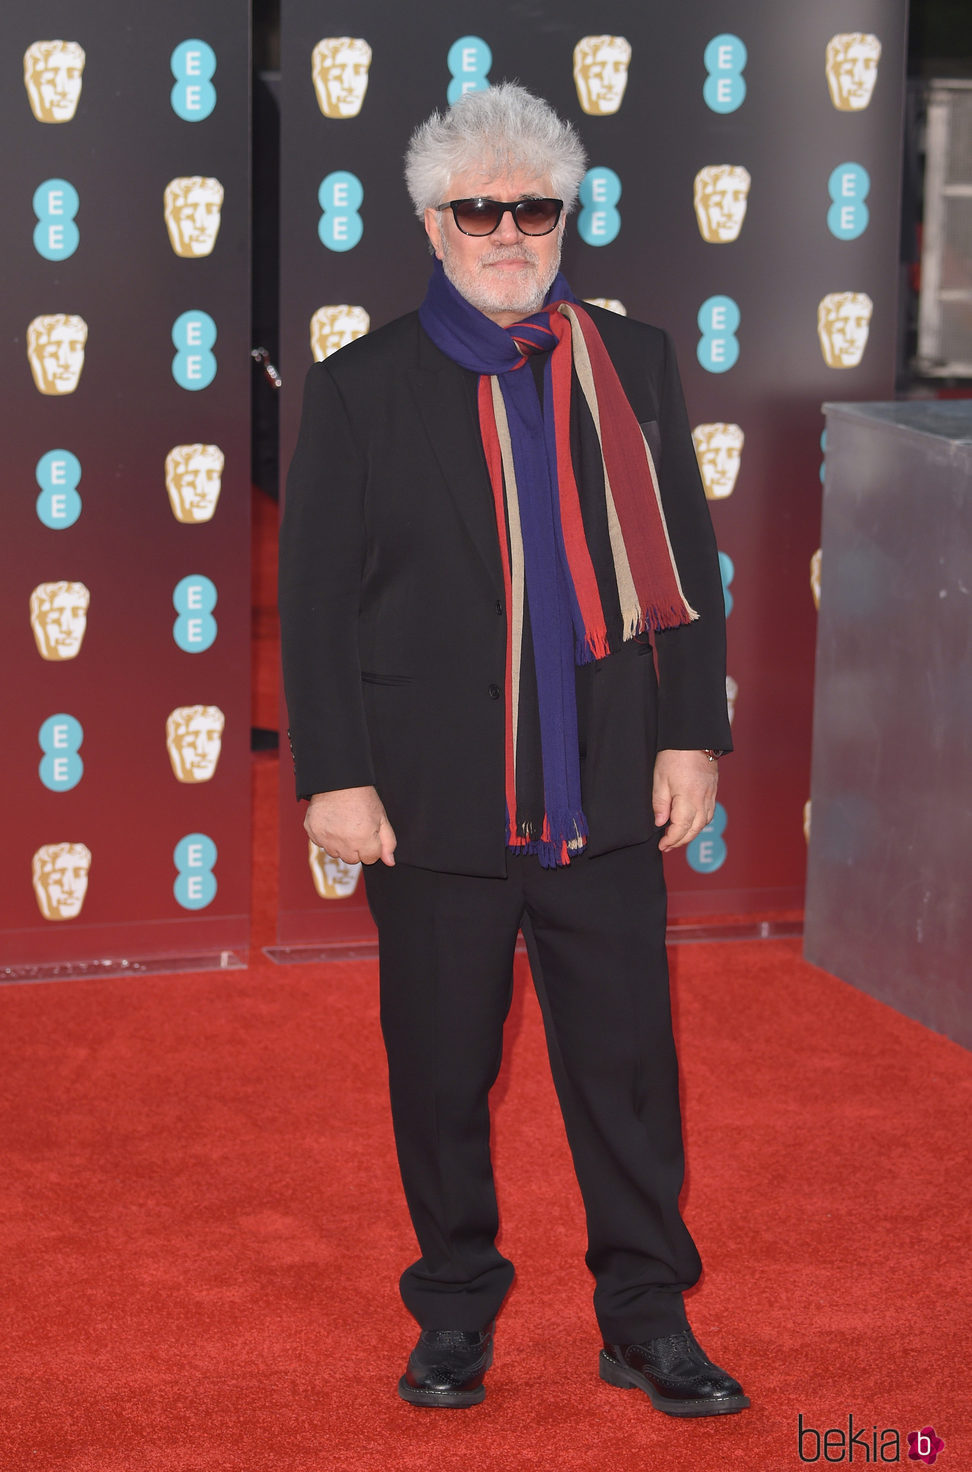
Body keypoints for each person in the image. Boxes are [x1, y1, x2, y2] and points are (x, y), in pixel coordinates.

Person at [280, 83, 747, 1418]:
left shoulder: (631, 360)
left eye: (530, 208)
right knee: (439, 1071)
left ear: (564, 218)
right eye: (477, 209)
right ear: (433, 225)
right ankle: (455, 1309)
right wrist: (333, 773)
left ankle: (646, 1316)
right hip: (431, 801)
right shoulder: (363, 385)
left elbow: (690, 566)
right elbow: (312, 595)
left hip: (602, 781)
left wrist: (690, 734)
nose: (506, 232)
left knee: (628, 1071)